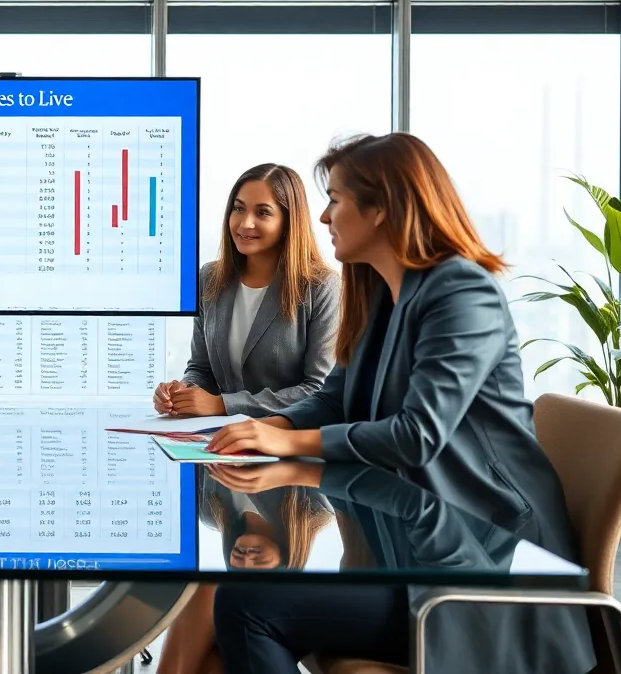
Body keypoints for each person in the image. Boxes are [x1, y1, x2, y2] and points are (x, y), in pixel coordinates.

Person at [205, 133, 594, 674]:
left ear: (381, 209)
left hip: (481, 564)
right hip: (411, 539)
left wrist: (288, 441)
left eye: (336, 200)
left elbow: (417, 434)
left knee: (247, 604)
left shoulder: (463, 293)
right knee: (219, 602)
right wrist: (267, 426)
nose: (322, 217)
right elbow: (337, 398)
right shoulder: (381, 293)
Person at [154, 163, 338, 420]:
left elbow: (318, 390)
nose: (244, 223)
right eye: (238, 209)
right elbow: (201, 368)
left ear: (288, 221)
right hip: (221, 442)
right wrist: (182, 393)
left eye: (262, 213)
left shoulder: (321, 287)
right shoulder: (210, 278)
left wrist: (223, 405)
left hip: (288, 441)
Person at [157, 468, 333, 674]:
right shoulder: (314, 506)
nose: (247, 561)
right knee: (212, 592)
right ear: (290, 562)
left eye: (238, 571)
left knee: (215, 661)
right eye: (261, 572)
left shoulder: (209, 509)